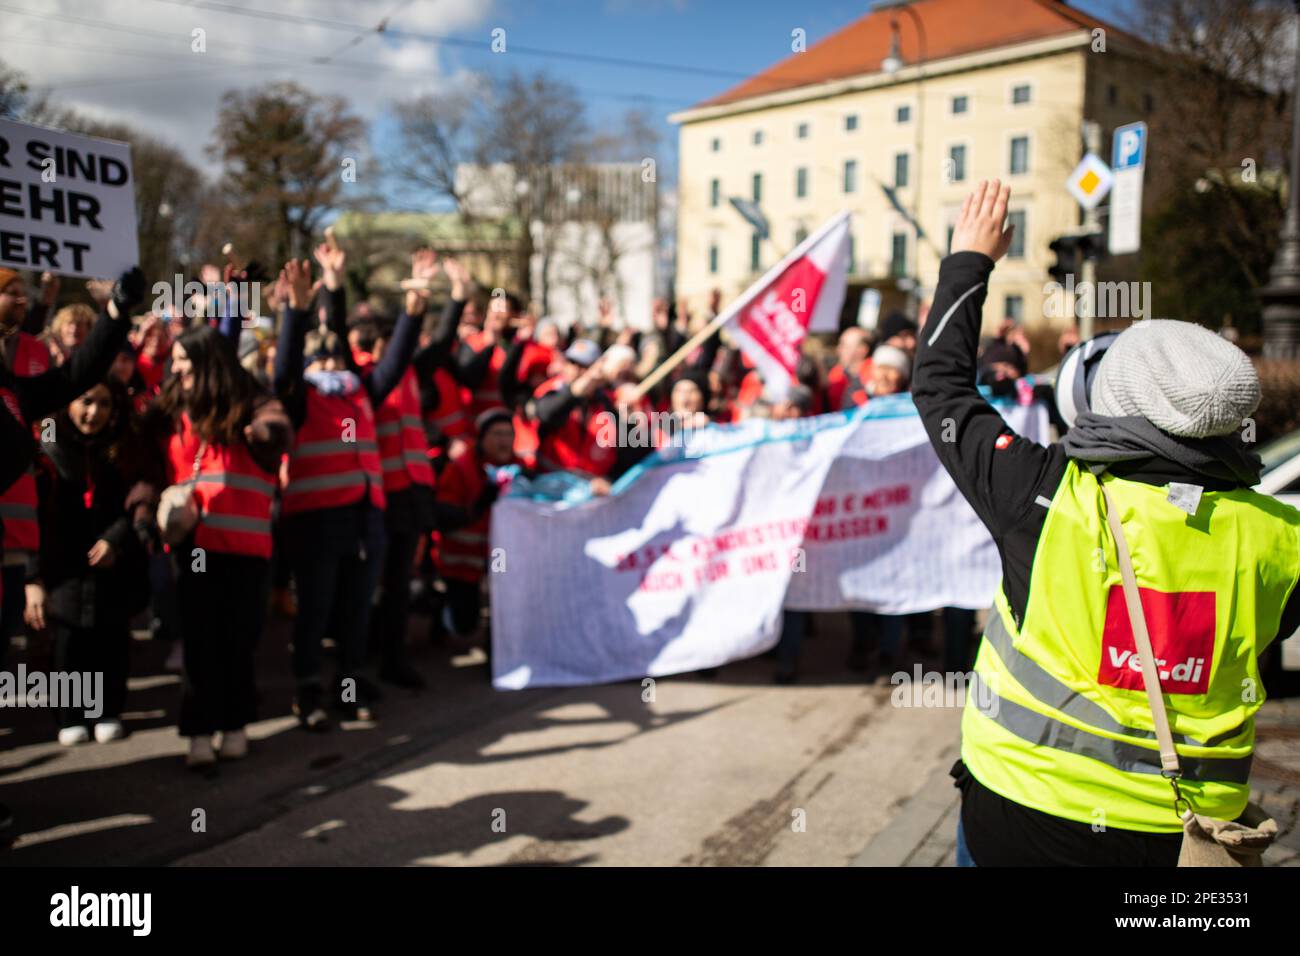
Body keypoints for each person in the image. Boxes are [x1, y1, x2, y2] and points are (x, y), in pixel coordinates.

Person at [913, 179, 1300, 867]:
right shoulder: (1281, 536)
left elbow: (940, 386)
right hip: (1182, 839)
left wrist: (970, 258)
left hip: (1021, 815)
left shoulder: (1043, 493)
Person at [274, 256, 420, 729]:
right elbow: (283, 372)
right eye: (320, 358)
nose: (330, 365)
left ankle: (349, 688)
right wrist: (296, 311)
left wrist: (413, 312)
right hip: (316, 520)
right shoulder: (301, 396)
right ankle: (307, 691)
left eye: (336, 357)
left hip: (365, 520)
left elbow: (395, 361)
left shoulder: (362, 392)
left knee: (357, 611)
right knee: (315, 612)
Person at [144, 324, 291, 767]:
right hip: (198, 548)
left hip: (248, 548)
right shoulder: (172, 409)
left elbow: (278, 426)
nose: (178, 367)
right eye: (176, 359)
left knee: (239, 642)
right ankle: (199, 732)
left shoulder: (251, 403)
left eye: (187, 359)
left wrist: (263, 434)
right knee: (202, 643)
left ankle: (235, 724)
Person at [317, 242, 440, 689]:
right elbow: (336, 335)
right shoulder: (360, 380)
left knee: (398, 582)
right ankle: (351, 667)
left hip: (406, 492)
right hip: (370, 496)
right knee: (359, 585)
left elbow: (411, 345)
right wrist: (333, 282)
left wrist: (417, 303)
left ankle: (392, 657)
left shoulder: (398, 372)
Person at [26, 377, 159, 746]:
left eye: (103, 404)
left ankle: (108, 710)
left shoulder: (126, 447)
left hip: (113, 568)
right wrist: (33, 577)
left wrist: (116, 540)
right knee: (69, 645)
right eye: (85, 401)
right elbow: (34, 515)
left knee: (111, 642)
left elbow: (138, 501)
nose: (93, 412)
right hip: (63, 569)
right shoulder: (47, 446)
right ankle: (70, 715)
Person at [530, 339, 618, 478]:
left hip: (594, 486)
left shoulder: (606, 400)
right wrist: (577, 390)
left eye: (584, 365)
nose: (575, 369)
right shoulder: (551, 390)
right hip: (553, 482)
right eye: (571, 362)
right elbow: (547, 414)